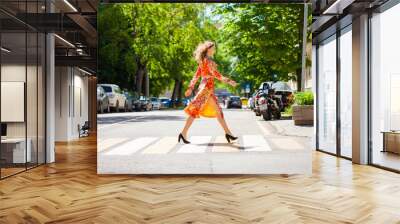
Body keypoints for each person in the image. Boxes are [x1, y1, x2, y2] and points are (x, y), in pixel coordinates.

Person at [179, 41, 238, 144]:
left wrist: (191, 87)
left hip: (207, 89)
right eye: (213, 48)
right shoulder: (207, 61)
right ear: (208, 49)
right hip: (205, 89)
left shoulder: (203, 61)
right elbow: (216, 74)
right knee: (195, 111)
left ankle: (228, 133)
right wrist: (229, 81)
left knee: (218, 112)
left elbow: (196, 75)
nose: (214, 50)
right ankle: (183, 133)